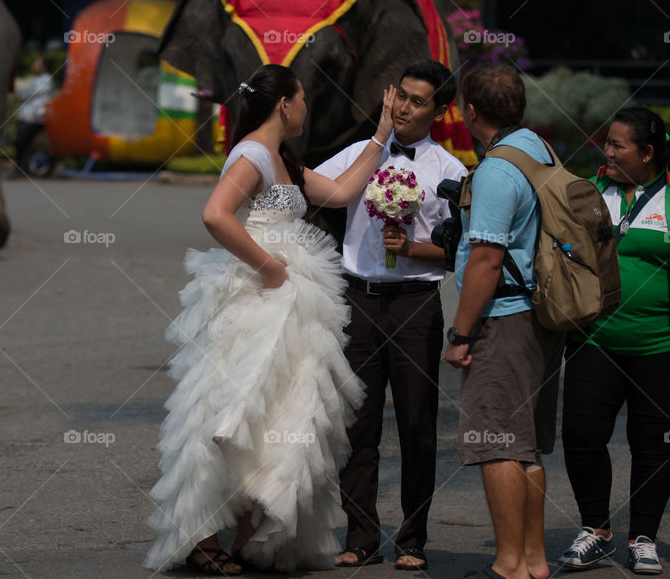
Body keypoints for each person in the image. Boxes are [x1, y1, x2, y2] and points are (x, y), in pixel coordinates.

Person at [144, 63, 395, 574]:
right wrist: (270, 267)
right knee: (230, 406)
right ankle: (202, 536)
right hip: (259, 294)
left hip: (292, 302)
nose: (308, 107)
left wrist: (382, 134)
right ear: (285, 103)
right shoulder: (253, 152)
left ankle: (250, 531)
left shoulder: (281, 156)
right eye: (303, 98)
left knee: (278, 408)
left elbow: (343, 193)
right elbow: (216, 214)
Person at [558, 107, 670, 575]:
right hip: (595, 341)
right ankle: (596, 530)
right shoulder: (590, 193)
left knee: (652, 445)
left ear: (648, 153)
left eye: (617, 146)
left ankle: (643, 537)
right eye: (606, 143)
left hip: (662, 348)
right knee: (581, 437)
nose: (606, 152)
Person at [315, 59, 467, 571]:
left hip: (415, 303)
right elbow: (310, 190)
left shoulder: (450, 171)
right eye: (399, 95)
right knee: (356, 426)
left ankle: (412, 538)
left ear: (440, 110)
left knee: (417, 425)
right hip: (356, 299)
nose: (402, 106)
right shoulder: (361, 152)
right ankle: (360, 535)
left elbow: (460, 252)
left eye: (416, 100)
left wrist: (413, 248)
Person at [443, 62, 565, 579]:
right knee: (526, 445)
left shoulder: (495, 170)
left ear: (471, 111)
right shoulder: (538, 149)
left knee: (496, 444)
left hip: (504, 318)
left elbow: (487, 260)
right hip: (540, 317)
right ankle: (534, 560)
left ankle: (507, 564)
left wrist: (462, 333)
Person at [11, 55, 53, 178]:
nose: (34, 65)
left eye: (37, 63)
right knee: (23, 143)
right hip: (29, 116)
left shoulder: (45, 79)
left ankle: (22, 170)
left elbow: (25, 93)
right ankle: (22, 169)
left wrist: (22, 92)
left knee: (22, 142)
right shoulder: (38, 79)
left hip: (33, 118)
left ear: (44, 67)